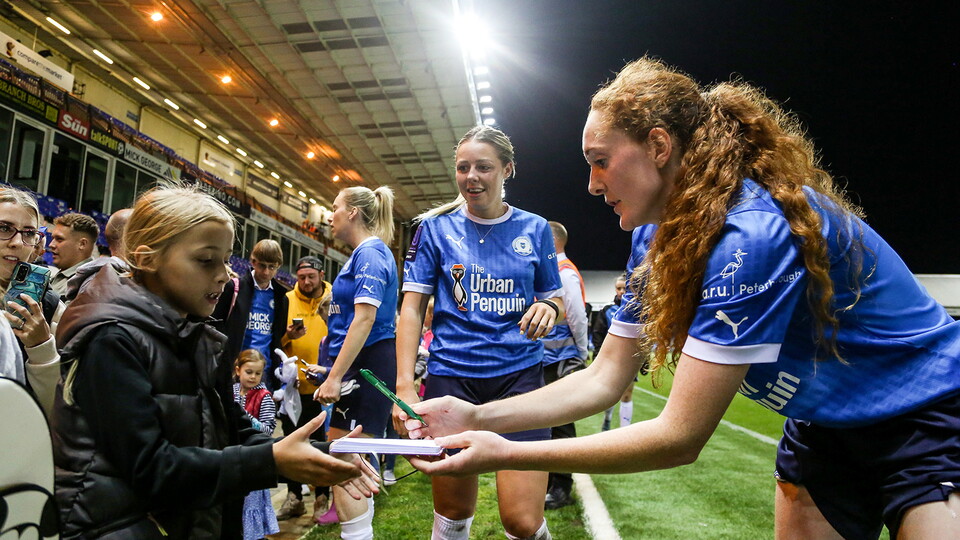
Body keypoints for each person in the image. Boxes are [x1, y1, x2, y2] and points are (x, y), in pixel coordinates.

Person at [401, 57, 960, 540]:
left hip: (923, 417)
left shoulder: (750, 235)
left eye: (600, 160)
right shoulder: (657, 234)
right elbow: (605, 378)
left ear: (660, 146)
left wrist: (506, 450)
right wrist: (477, 415)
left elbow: (679, 437)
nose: (592, 184)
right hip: (820, 425)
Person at [51, 186, 377, 538]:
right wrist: (273, 461)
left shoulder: (192, 335)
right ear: (147, 258)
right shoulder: (111, 339)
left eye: (225, 259)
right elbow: (152, 468)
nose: (225, 274)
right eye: (207, 260)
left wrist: (322, 453)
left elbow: (230, 427)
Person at [395, 125, 564, 540]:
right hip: (451, 378)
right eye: (463, 167)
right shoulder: (433, 229)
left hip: (520, 379)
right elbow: (412, 309)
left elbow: (555, 301)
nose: (472, 176)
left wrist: (547, 307)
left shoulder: (535, 228)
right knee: (451, 516)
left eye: (483, 167)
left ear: (507, 170)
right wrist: (404, 386)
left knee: (522, 521)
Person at [309, 185, 398, 538]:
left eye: (334, 207)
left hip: (368, 366)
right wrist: (331, 371)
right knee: (352, 464)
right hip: (362, 366)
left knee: (346, 465)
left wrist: (335, 378)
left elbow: (364, 319)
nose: (329, 215)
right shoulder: (363, 253)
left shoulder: (371, 254)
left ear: (352, 213)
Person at [276, 255, 334, 522]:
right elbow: (274, 340)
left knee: (320, 444)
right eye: (301, 278)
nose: (307, 282)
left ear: (321, 274)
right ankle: (294, 496)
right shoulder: (286, 300)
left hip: (324, 388)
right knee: (290, 443)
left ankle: (322, 496)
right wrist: (289, 335)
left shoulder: (334, 299)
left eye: (311, 276)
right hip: (292, 388)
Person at [0, 187, 64, 416]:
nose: (17, 243)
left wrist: (41, 347)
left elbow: (55, 409)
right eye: (4, 228)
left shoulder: (50, 307)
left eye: (28, 233)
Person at [540, 220, 588, 510]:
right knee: (545, 421)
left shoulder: (564, 272)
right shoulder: (551, 270)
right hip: (545, 358)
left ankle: (561, 486)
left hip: (560, 358)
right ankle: (549, 481)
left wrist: (580, 351)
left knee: (560, 422)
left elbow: (577, 317)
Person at [213, 239, 293, 391]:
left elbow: (277, 333)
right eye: (262, 265)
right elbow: (218, 324)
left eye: (272, 267)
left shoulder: (282, 297)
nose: (266, 272)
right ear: (253, 261)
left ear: (278, 267)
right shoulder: (233, 288)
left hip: (265, 372)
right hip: (235, 369)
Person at [233, 349, 280, 540]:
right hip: (233, 455)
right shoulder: (231, 392)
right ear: (238, 371)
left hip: (254, 459)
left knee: (250, 505)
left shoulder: (264, 396)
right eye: (249, 372)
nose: (253, 377)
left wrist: (246, 418)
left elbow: (268, 429)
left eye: (257, 373)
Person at [595, 274, 634, 432]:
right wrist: (597, 354)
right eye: (619, 288)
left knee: (627, 393)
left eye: (625, 288)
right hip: (610, 359)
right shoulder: (606, 309)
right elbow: (598, 334)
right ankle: (608, 418)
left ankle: (625, 431)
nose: (622, 291)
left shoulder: (638, 309)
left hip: (630, 358)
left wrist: (645, 361)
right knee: (611, 395)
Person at [48, 212, 99, 297]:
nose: (51, 245)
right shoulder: (62, 276)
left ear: (82, 244)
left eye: (59, 239)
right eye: (53, 238)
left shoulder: (89, 284)